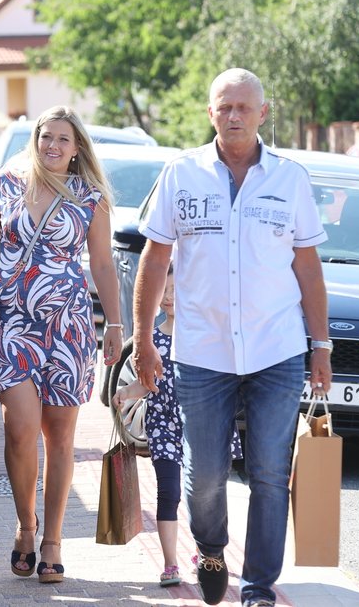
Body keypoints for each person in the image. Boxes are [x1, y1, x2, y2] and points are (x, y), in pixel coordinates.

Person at [132, 68, 332, 607]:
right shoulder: (181, 175)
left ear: (264, 113)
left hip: (278, 349)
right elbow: (154, 258)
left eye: (245, 107)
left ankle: (260, 586)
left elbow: (308, 268)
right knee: (205, 477)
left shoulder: (290, 178)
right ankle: (212, 549)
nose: (235, 116)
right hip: (202, 350)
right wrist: (143, 339)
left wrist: (321, 346)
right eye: (225, 107)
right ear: (210, 112)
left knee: (270, 472)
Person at [0, 105, 123, 583]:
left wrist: (113, 326)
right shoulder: (5, 183)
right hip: (13, 322)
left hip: (69, 327)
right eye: (46, 137)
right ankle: (24, 524)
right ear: (35, 139)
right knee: (19, 431)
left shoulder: (90, 196)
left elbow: (103, 266)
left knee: (61, 437)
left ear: (77, 149)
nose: (52, 146)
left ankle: (52, 540)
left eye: (63, 140)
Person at [112, 266, 242, 588]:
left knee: (207, 493)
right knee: (168, 493)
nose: (169, 296)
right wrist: (127, 393)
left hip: (202, 423)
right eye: (163, 290)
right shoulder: (150, 340)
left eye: (175, 289)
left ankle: (206, 550)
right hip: (164, 425)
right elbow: (148, 383)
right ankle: (171, 565)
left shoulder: (203, 335)